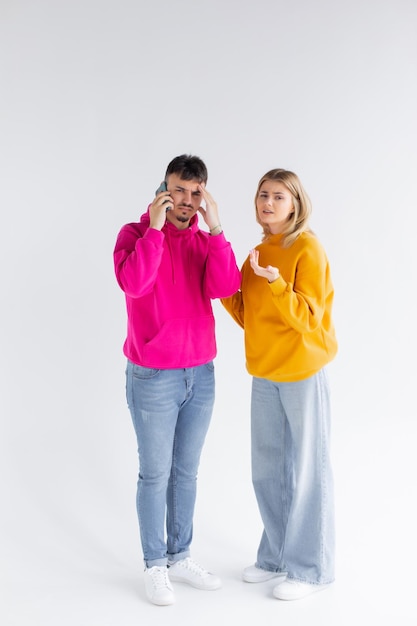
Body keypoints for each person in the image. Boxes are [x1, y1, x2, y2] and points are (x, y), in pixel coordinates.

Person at [113, 154, 241, 606]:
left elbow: (226, 288)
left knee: (185, 473)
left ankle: (179, 555)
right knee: (155, 474)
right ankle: (154, 565)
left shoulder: (205, 243)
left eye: (195, 192)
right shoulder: (134, 235)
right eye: (178, 191)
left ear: (202, 194)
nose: (186, 201)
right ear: (163, 190)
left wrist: (218, 228)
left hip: (200, 374)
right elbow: (135, 283)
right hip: (152, 377)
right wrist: (153, 228)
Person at [221, 168, 337, 601]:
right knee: (268, 471)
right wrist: (221, 286)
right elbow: (248, 316)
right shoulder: (256, 251)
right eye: (262, 195)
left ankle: (310, 569)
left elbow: (309, 319)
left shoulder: (307, 248)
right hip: (264, 374)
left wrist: (275, 284)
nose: (268, 203)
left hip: (302, 373)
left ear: (295, 204)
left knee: (308, 471)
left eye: (278, 197)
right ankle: (275, 556)